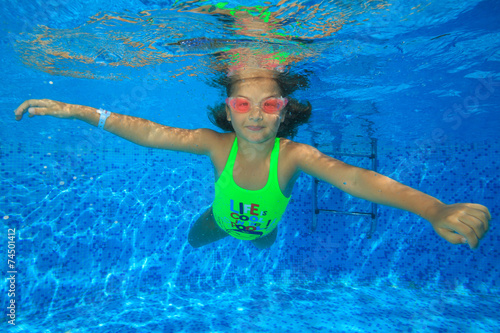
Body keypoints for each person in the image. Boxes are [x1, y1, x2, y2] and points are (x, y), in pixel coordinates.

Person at [14, 65, 491, 251]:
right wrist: (79, 111)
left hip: (264, 227)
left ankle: (257, 236)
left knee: (260, 241)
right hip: (219, 219)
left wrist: (433, 208)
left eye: (271, 104)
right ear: (228, 110)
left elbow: (356, 180)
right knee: (195, 240)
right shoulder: (216, 144)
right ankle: (228, 230)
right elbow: (149, 134)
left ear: (286, 112)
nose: (256, 115)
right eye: (242, 104)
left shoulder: (295, 156)